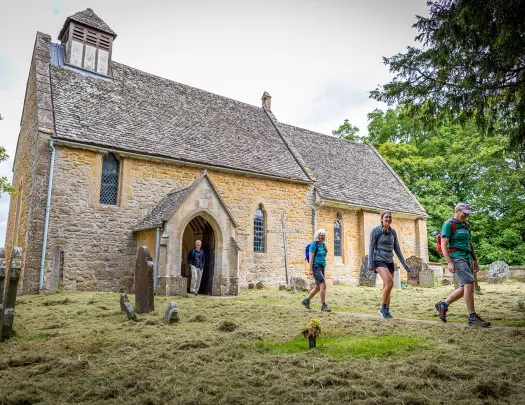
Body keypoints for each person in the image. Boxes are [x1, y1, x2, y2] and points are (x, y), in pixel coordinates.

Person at [435, 203, 491, 327]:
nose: (466, 215)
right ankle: (472, 317)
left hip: (468, 258)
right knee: (469, 284)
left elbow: (470, 244)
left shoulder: (466, 225)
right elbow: (444, 244)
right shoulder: (449, 224)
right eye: (464, 213)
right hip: (456, 257)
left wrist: (475, 260)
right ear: (457, 211)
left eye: (468, 213)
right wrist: (449, 262)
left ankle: (443, 305)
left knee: (464, 287)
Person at [368, 211, 410, 319]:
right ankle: (382, 309)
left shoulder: (393, 233)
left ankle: (387, 310)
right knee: (390, 283)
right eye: (386, 217)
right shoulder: (376, 231)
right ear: (382, 219)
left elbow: (397, 249)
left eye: (390, 217)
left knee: (387, 286)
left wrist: (404, 264)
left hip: (389, 261)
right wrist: (370, 264)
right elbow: (371, 247)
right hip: (379, 260)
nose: (388, 219)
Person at [302, 229, 331, 312]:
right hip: (315, 266)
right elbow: (311, 258)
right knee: (323, 284)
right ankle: (323, 305)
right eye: (321, 235)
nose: (323, 237)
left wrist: (326, 249)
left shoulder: (324, 245)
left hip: (322, 266)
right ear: (318, 236)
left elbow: (323, 255)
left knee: (318, 287)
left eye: (324, 235)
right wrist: (310, 269)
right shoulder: (313, 245)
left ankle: (306, 301)